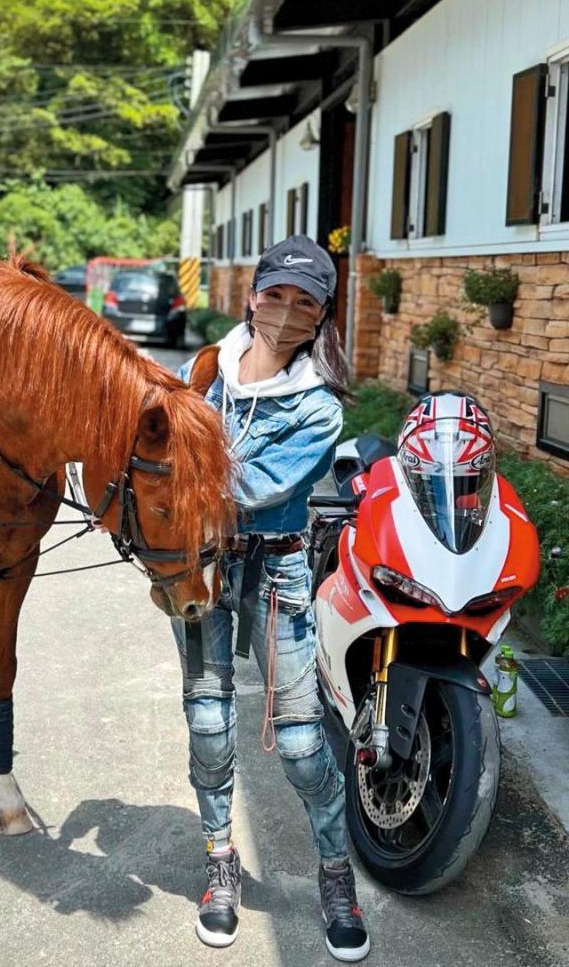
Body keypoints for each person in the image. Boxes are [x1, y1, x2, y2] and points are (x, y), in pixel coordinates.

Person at [173, 234, 370, 962]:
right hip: (201, 569)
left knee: (300, 741)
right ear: (251, 295)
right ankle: (220, 862)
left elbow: (251, 489)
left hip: (278, 574)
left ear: (320, 316)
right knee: (208, 723)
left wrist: (164, 484)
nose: (286, 312)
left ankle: (335, 872)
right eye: (276, 295)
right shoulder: (204, 373)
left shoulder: (318, 408)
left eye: (304, 302)